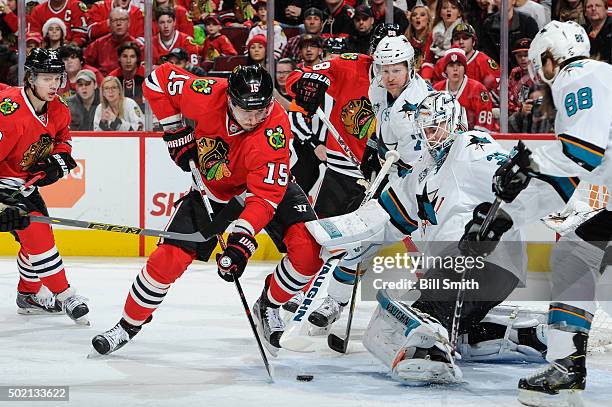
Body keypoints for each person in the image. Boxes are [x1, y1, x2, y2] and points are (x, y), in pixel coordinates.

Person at [305, 92, 550, 384]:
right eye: (426, 130)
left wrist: (561, 204)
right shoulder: (423, 169)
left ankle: (430, 356)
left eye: (436, 128)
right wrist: (346, 234)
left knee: (415, 318)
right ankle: (524, 334)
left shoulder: (471, 145)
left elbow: (516, 177)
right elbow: (388, 217)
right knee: (436, 329)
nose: (430, 136)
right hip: (460, 269)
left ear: (455, 122)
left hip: (483, 258)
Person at [91, 64, 324, 356]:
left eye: (261, 110)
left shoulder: (273, 130)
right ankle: (126, 326)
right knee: (167, 259)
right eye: (246, 111)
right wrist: (174, 129)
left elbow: (264, 198)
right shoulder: (206, 93)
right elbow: (156, 80)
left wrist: (242, 239)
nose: (254, 119)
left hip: (262, 190)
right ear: (229, 100)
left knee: (308, 251)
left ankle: (269, 305)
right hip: (214, 190)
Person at [479, 21, 612, 406]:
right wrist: (510, 215)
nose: (541, 74)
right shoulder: (600, 76)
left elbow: (582, 153)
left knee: (575, 254)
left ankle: (566, 368)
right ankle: (565, 367)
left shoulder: (578, 75)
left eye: (540, 64)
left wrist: (527, 160)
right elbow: (572, 176)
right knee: (575, 253)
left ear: (552, 58)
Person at [305, 35, 432, 328]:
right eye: (384, 69)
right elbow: (382, 133)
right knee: (361, 245)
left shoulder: (416, 106)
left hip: (425, 187)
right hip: (399, 181)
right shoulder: (377, 86)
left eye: (396, 69)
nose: (389, 76)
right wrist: (375, 154)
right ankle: (334, 302)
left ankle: (437, 306)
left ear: (410, 67)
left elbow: (415, 162)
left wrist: (385, 171)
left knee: (432, 250)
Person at [0, 48, 88, 324]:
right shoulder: (9, 112)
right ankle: (65, 294)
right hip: (3, 186)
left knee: (36, 240)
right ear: (30, 78)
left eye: (57, 78)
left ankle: (28, 295)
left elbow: (64, 140)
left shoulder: (59, 109)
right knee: (37, 233)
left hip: (25, 186)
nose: (53, 85)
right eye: (46, 78)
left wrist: (59, 160)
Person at [426, 23, 500, 105]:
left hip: (476, 109)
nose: (461, 42)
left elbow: (497, 93)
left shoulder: (485, 62)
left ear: (474, 42)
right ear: (452, 43)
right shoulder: (441, 64)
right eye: (457, 39)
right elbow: (436, 91)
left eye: (465, 38)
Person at [433, 48, 495, 132]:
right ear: (445, 70)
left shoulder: (478, 89)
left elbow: (484, 127)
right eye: (451, 65)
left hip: (472, 139)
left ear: (465, 69)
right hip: (443, 138)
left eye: (459, 65)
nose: (455, 69)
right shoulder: (437, 90)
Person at [84, 7, 143, 75]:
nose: (118, 23)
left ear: (128, 23)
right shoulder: (98, 44)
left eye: (122, 19)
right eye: (115, 20)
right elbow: (84, 63)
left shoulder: (138, 47)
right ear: (109, 24)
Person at [107, 42, 145, 109]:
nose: (128, 61)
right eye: (125, 56)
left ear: (137, 59)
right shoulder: (112, 78)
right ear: (119, 58)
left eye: (132, 56)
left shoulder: (146, 76)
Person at [405, 3, 433, 76]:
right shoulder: (405, 40)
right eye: (414, 15)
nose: (418, 17)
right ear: (411, 20)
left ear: (428, 20)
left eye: (422, 15)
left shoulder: (433, 38)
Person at [508, 38, 534, 114]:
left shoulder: (541, 73)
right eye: (519, 56)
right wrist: (520, 111)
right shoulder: (514, 72)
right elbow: (507, 101)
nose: (523, 58)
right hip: (517, 116)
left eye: (526, 55)